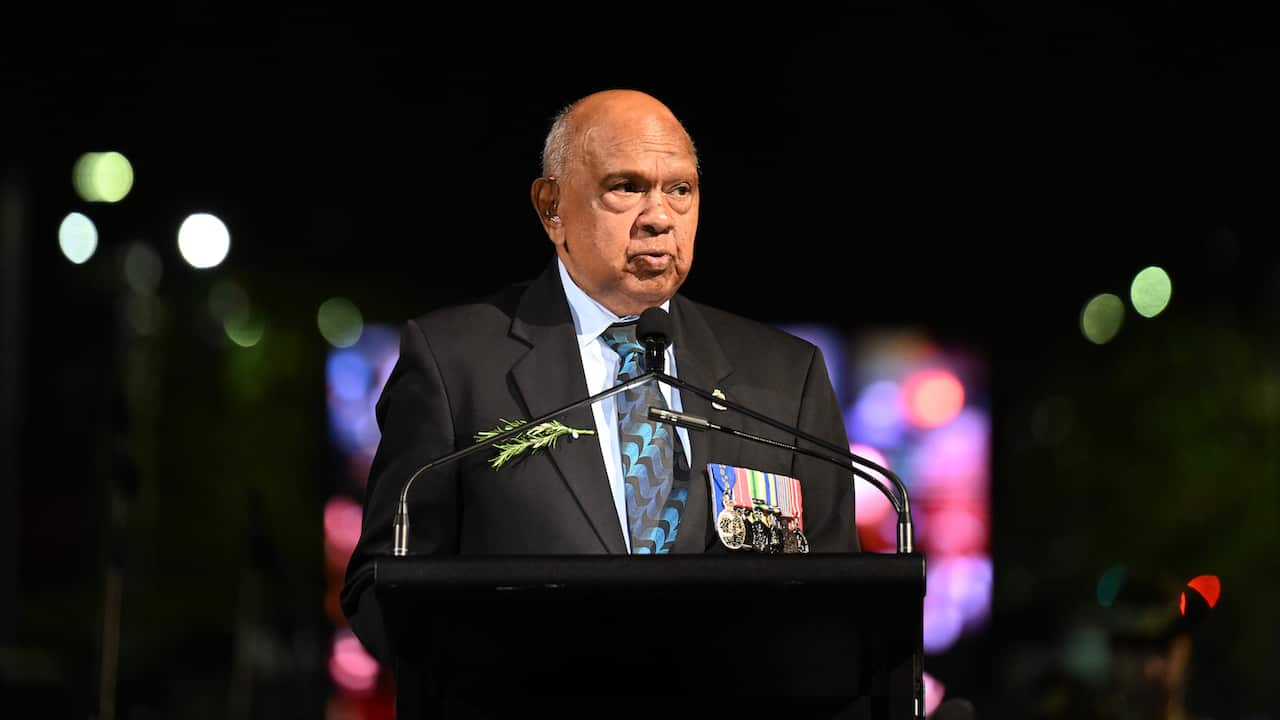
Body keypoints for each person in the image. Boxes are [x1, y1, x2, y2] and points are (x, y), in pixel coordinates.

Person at [341, 88, 859, 664]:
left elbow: (841, 605)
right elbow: (380, 589)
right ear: (552, 208)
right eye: (626, 187)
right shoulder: (455, 363)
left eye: (680, 190)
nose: (660, 217)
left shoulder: (788, 377)